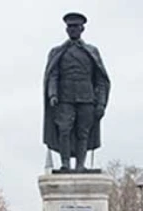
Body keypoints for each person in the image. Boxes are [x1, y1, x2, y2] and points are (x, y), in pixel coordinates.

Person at [43, 11, 110, 172]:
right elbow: (53, 75)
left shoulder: (91, 51)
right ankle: (65, 164)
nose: (72, 30)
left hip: (86, 98)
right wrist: (52, 94)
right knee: (64, 130)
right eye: (70, 27)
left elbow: (101, 79)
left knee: (83, 132)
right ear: (66, 30)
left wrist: (101, 103)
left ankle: (80, 165)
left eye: (76, 27)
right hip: (64, 98)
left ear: (82, 29)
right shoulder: (57, 51)